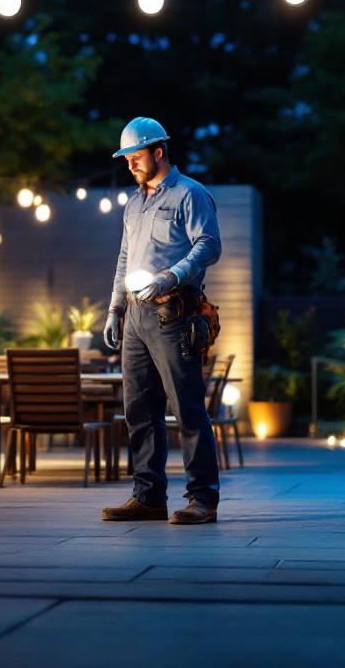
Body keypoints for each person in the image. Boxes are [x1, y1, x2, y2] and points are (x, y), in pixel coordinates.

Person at [100, 117, 222, 525]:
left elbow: (209, 245)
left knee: (187, 408)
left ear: (159, 151)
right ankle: (149, 496)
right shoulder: (134, 203)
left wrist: (171, 276)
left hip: (173, 312)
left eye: (136, 158)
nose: (130, 166)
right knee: (139, 408)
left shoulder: (191, 194)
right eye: (127, 160)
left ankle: (202, 499)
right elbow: (123, 258)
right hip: (135, 315)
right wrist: (115, 308)